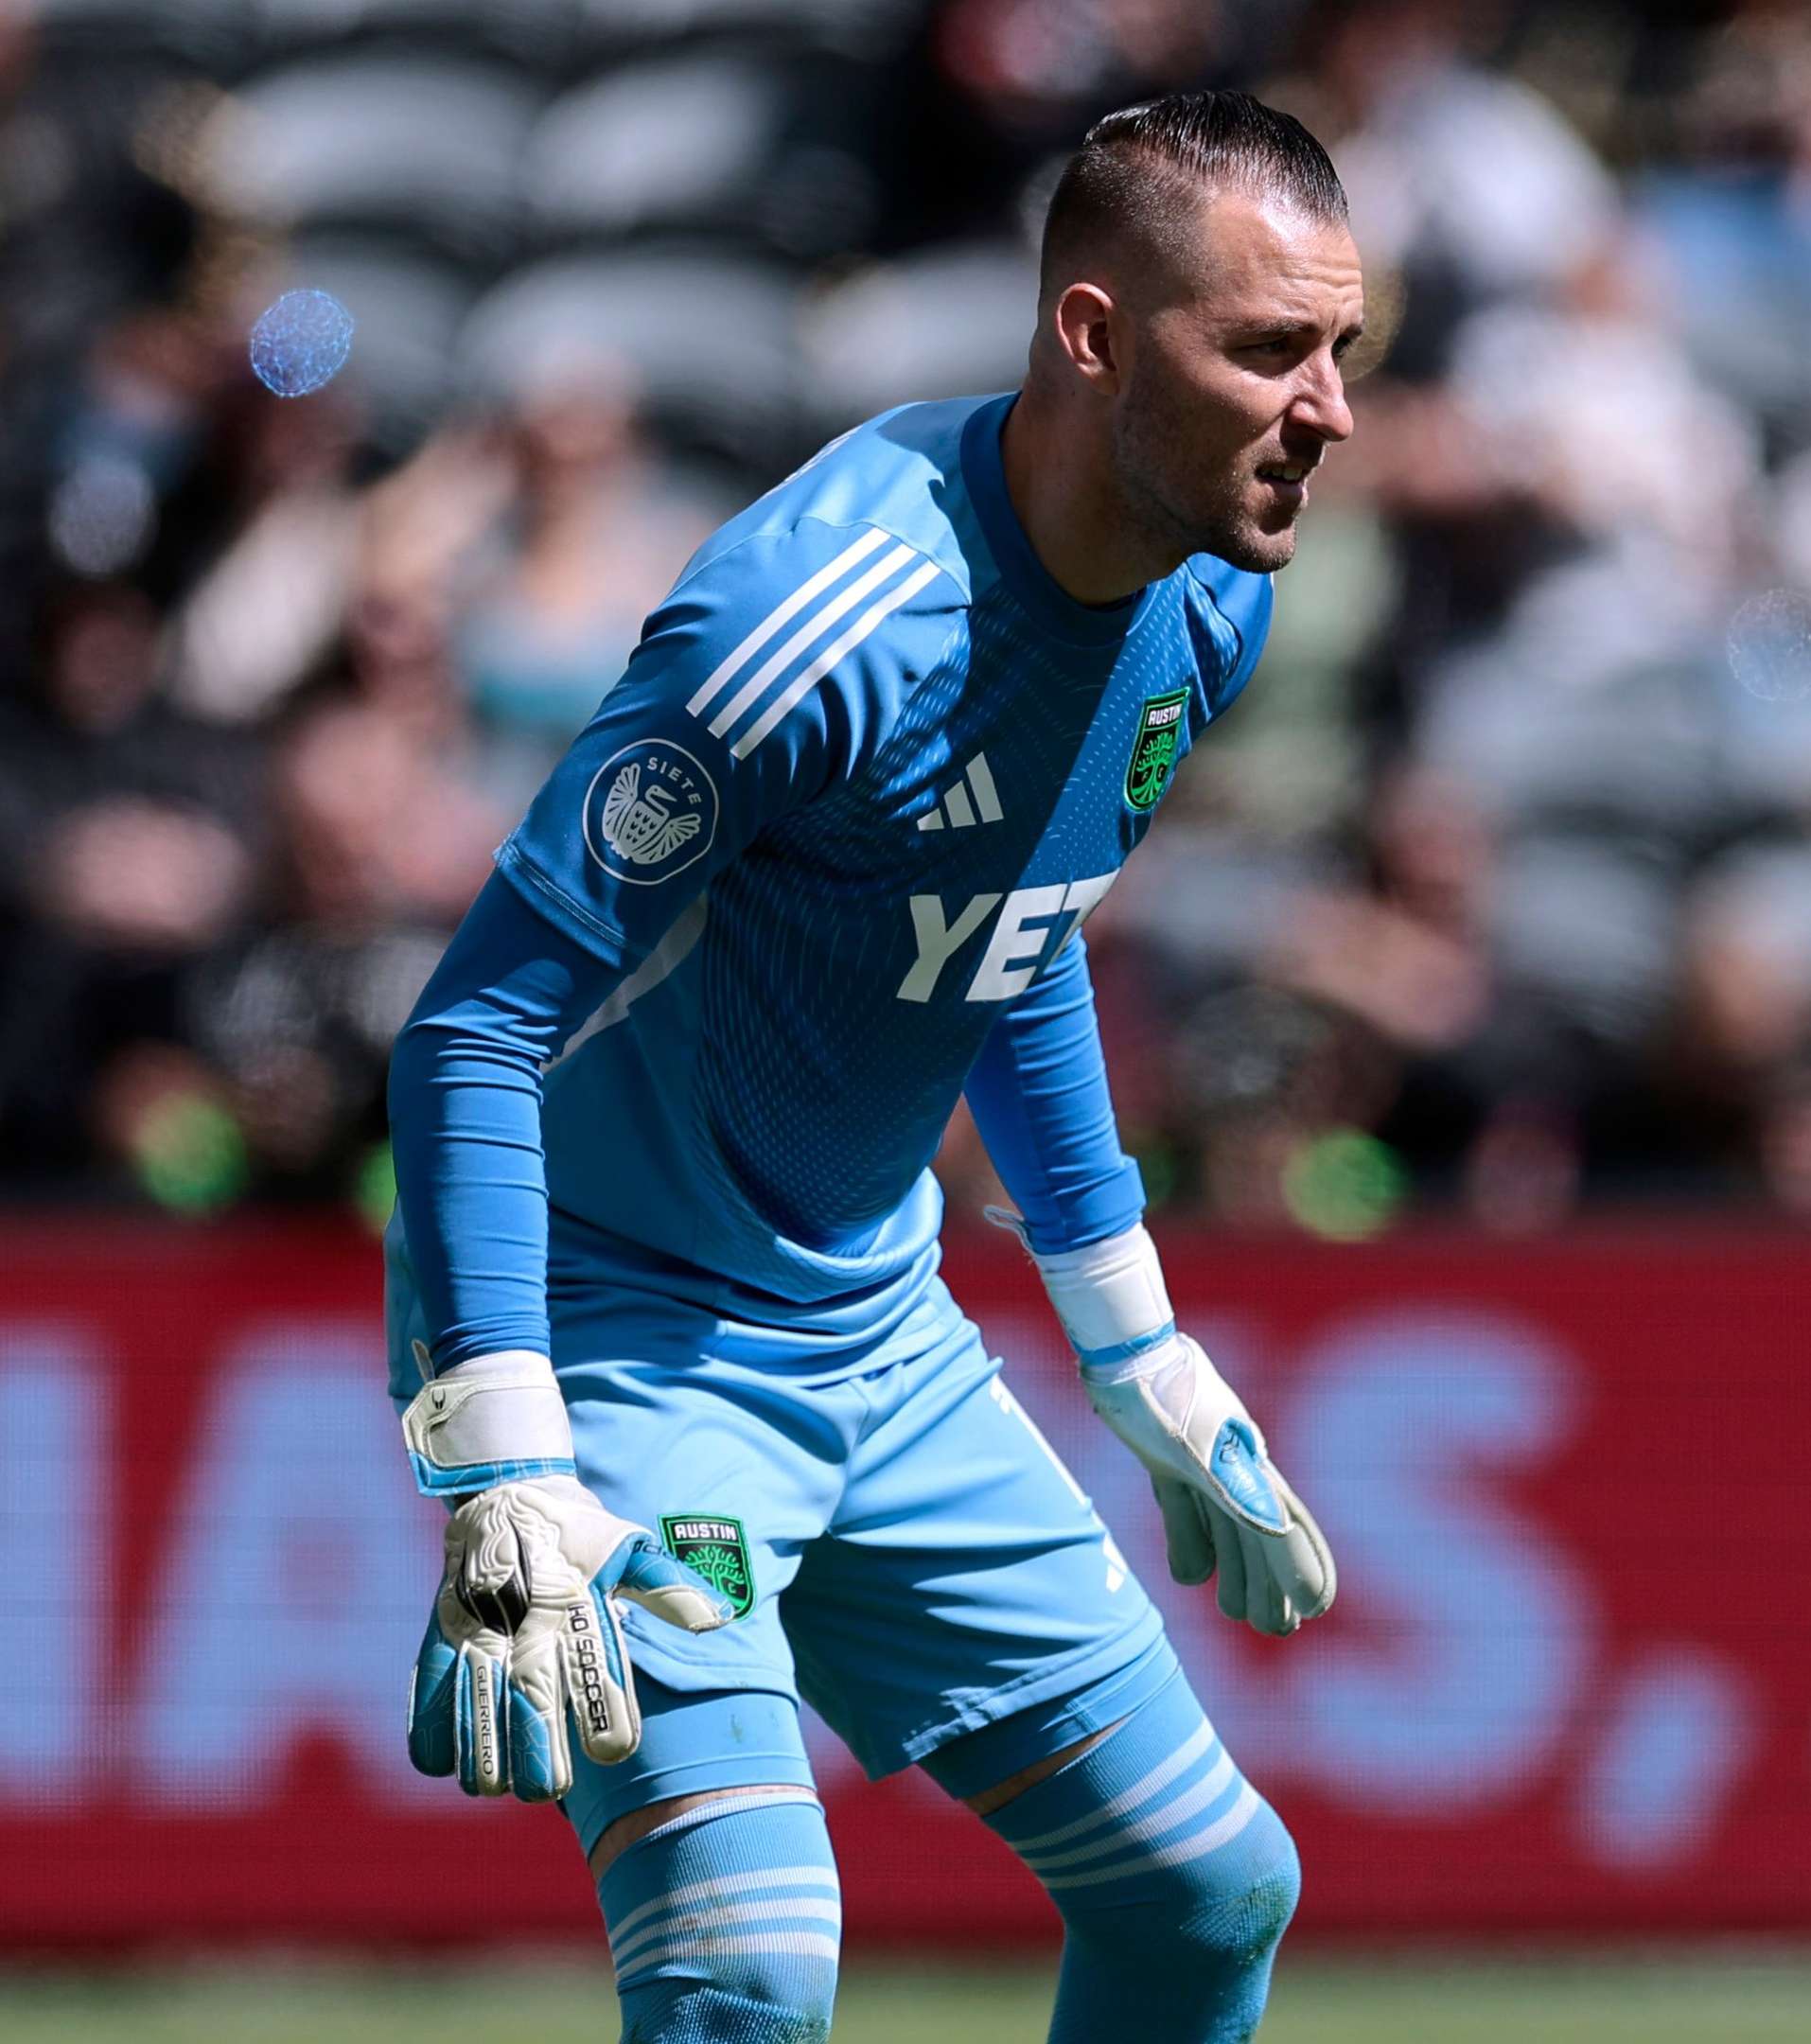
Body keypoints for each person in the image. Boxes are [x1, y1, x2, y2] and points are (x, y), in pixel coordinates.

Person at [378, 91, 1361, 2042]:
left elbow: (1014, 924)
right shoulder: (811, 627)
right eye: (1267, 347)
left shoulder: (1210, 604)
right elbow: (475, 1024)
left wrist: (1134, 1339)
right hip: (620, 1337)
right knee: (746, 1973)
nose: (1327, 405)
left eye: (1345, 348)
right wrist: (503, 1453)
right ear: (1092, 336)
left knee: (1213, 1893)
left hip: (875, 1333)